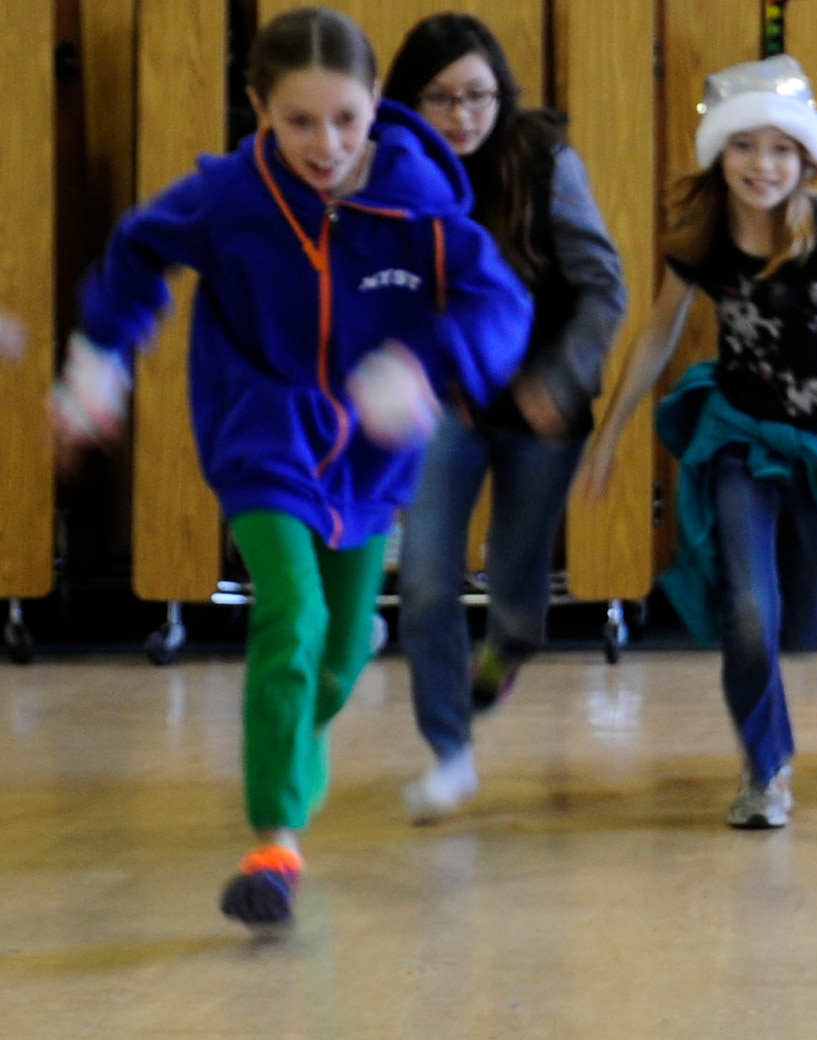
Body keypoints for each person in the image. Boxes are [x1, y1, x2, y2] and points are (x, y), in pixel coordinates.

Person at [50, 6, 530, 927]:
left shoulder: (418, 201)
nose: (326, 143)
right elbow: (137, 252)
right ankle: (274, 842)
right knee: (292, 613)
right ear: (257, 107)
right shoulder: (229, 198)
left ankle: (299, 730)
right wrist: (98, 361)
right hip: (260, 425)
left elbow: (497, 304)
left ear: (376, 103)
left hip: (372, 445)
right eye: (299, 121)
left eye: (346, 119)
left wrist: (422, 366)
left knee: (341, 649)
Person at [580, 54, 817, 829]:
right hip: (739, 439)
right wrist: (610, 436)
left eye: (780, 149)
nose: (761, 166)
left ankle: (772, 707)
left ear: (804, 157)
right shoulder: (703, 233)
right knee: (749, 611)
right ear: (719, 153)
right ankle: (765, 769)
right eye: (744, 146)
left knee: (797, 620)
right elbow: (658, 333)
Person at [384, 13, 628, 823]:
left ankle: (508, 652)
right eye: (442, 99)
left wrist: (560, 378)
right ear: (408, 102)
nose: (462, 116)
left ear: (502, 94)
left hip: (540, 404)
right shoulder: (388, 173)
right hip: (445, 406)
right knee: (422, 583)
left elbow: (603, 285)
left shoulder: (543, 158)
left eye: (479, 96)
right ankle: (449, 754)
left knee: (516, 592)